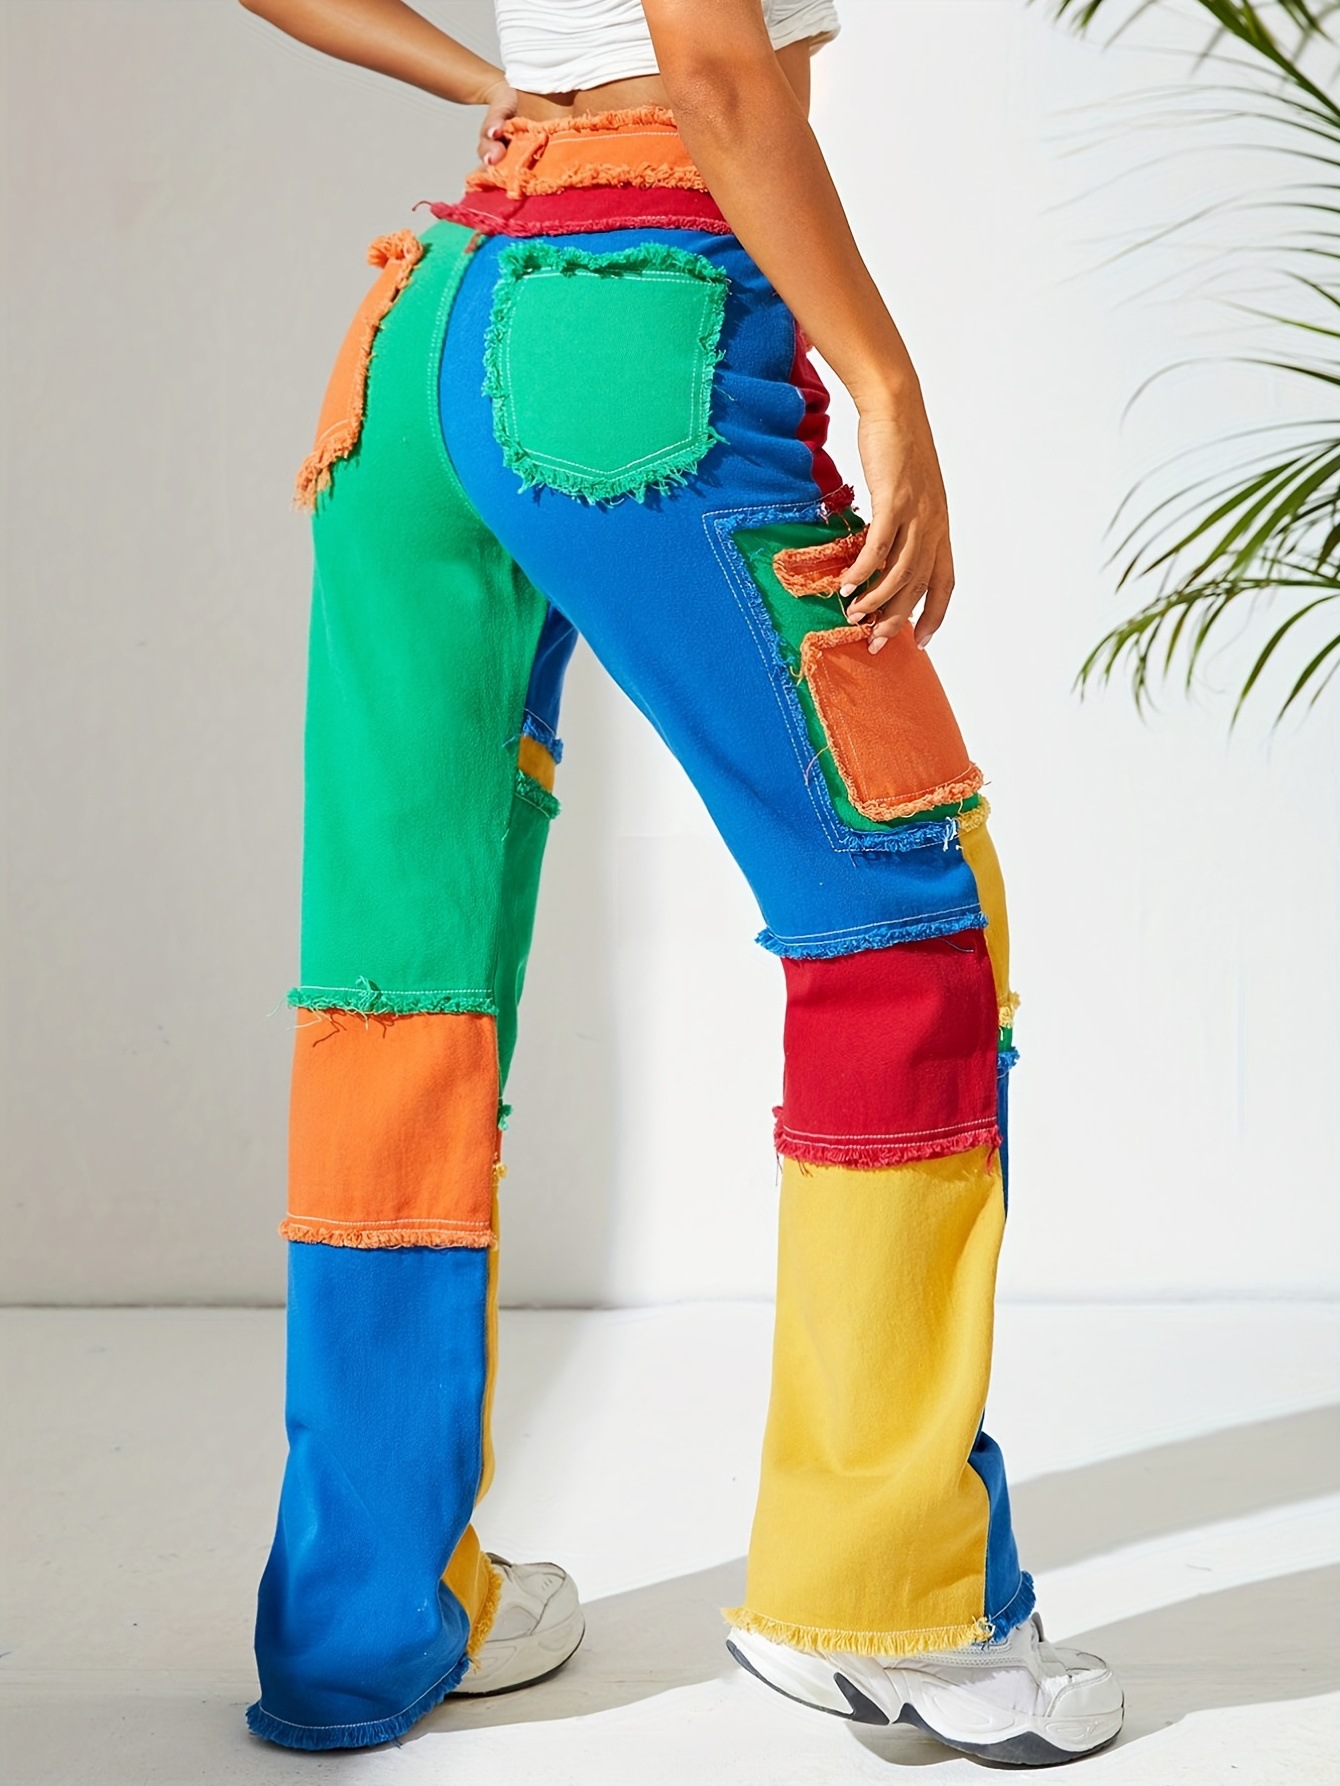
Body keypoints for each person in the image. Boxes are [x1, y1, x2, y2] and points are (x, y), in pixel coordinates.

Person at [236, 0, 1125, 1764]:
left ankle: (363, 1621)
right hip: (631, 320)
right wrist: (888, 383)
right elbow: (714, 67)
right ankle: (883, 1601)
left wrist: (503, 85)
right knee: (902, 917)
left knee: (397, 986)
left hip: (432, 322)